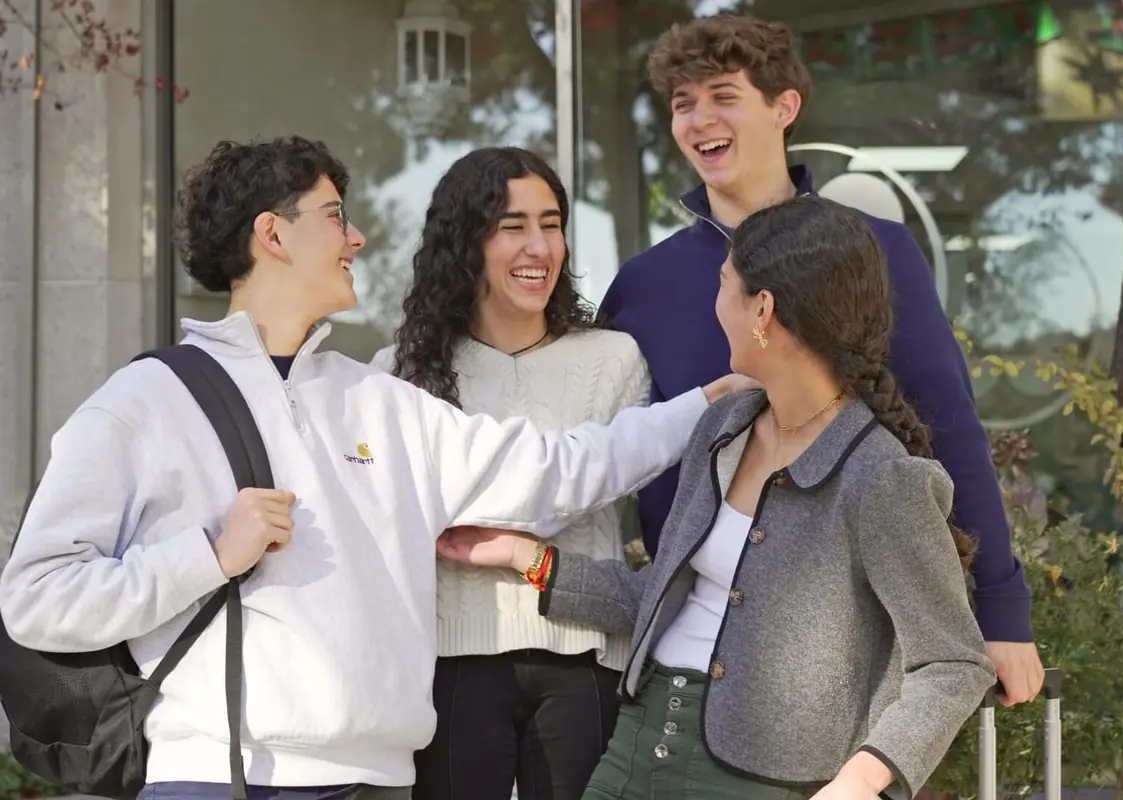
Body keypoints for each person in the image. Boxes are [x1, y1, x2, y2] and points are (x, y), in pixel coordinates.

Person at [0, 136, 752, 800]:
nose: (357, 237)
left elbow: (556, 472)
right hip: (221, 776)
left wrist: (705, 405)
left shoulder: (378, 400)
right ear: (273, 235)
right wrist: (206, 556)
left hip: (380, 781)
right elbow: (37, 597)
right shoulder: (146, 402)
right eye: (334, 217)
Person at [437, 196, 997, 800]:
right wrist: (528, 559)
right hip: (636, 747)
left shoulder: (880, 475)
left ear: (763, 309)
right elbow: (663, 597)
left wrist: (860, 781)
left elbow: (953, 662)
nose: (715, 307)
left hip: (766, 781)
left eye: (724, 286)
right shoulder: (723, 429)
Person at [595, 13, 1043, 705]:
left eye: (722, 95)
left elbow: (948, 425)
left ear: (784, 106)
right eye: (683, 103)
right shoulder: (642, 286)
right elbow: (610, 456)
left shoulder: (879, 251)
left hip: (846, 654)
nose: (698, 119)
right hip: (684, 659)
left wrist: (1002, 611)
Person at [369, 146, 649, 800]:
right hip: (451, 665)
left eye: (551, 224)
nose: (539, 246)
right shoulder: (399, 374)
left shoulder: (614, 360)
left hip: (585, 664)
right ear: (466, 242)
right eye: (512, 225)